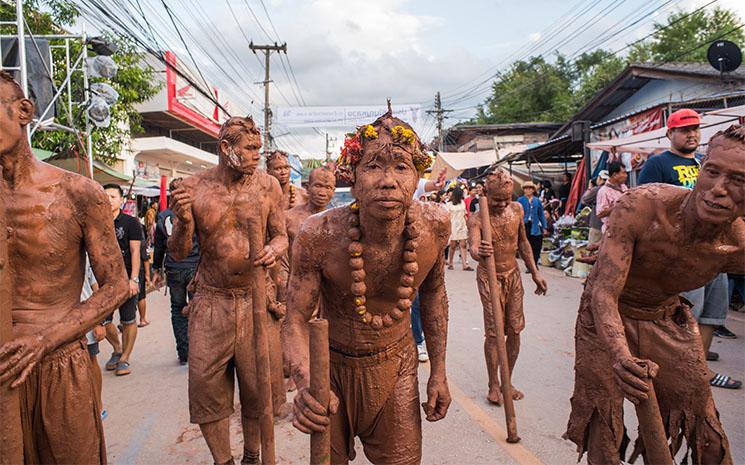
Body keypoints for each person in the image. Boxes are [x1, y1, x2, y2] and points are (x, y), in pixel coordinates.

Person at [564, 124, 745, 465]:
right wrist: (620, 356)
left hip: (667, 317)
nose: (719, 190)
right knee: (604, 425)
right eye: (712, 172)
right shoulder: (642, 207)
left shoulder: (737, 247)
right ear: (700, 170)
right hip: (605, 315)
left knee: (704, 428)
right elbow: (603, 293)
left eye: (739, 182)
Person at [283, 111, 452, 465]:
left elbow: (435, 295)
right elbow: (295, 320)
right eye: (373, 166)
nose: (388, 181)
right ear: (353, 180)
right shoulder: (319, 234)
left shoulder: (435, 227)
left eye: (401, 168)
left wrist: (438, 371)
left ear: (417, 177)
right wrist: (305, 385)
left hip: (397, 366)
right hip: (330, 368)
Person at [0, 71, 129, 464]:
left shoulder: (76, 192)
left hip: (58, 362)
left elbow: (117, 285)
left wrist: (44, 339)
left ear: (23, 111)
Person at [168, 115, 287, 465]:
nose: (256, 156)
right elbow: (176, 252)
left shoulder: (268, 187)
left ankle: (252, 455)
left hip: (255, 298)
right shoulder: (194, 187)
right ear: (226, 148)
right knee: (206, 389)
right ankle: (224, 461)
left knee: (257, 389)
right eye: (249, 149)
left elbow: (280, 235)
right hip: (211, 299)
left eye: (258, 149)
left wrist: (274, 250)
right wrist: (185, 222)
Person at [638, 108, 738, 388]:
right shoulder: (658, 164)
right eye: (684, 129)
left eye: (695, 128)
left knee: (712, 314)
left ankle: (699, 370)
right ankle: (673, 370)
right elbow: (647, 207)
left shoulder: (707, 166)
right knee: (683, 314)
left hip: (716, 250)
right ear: (670, 133)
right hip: (682, 255)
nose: (692, 134)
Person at [468, 170, 548, 404]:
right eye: (497, 200)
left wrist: (535, 273)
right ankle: (493, 384)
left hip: (513, 275)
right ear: (485, 193)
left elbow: (523, 242)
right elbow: (473, 247)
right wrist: (478, 251)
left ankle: (506, 381)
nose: (502, 204)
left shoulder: (517, 210)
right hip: (489, 276)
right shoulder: (477, 218)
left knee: (514, 330)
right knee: (494, 333)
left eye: (506, 199)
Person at [152, 177, 200, 365]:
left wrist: (156, 269)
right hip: (194, 267)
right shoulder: (196, 211)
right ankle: (198, 352)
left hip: (174, 269)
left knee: (178, 309)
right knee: (198, 309)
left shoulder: (164, 215)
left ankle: (184, 353)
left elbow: (159, 246)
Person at [102, 184, 143, 377]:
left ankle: (125, 357)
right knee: (103, 321)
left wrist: (133, 279)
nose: (109, 199)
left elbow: (135, 251)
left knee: (128, 319)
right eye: (105, 196)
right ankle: (117, 348)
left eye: (112, 196)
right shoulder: (95, 222)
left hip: (127, 278)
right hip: (103, 281)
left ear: (121, 200)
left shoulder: (130, 222)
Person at [517, 181, 547, 268]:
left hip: (535, 226)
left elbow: (541, 214)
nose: (528, 190)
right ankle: (529, 265)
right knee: (526, 246)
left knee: (536, 245)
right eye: (526, 188)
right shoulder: (520, 200)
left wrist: (544, 227)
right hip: (524, 225)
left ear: (533, 190)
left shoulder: (537, 201)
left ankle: (535, 263)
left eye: (530, 188)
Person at [444, 186, 473, 271]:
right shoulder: (448, 204)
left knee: (463, 244)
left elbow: (465, 214)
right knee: (453, 245)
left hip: (462, 225)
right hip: (452, 225)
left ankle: (465, 265)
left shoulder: (462, 202)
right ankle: (450, 263)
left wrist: (467, 225)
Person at [596, 161, 628, 235]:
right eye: (623, 173)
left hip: (625, 229)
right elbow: (600, 214)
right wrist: (618, 206)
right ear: (615, 175)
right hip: (611, 232)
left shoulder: (623, 187)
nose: (626, 175)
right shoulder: (603, 191)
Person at [581, 171, 608, 245]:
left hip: (597, 225)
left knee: (593, 249)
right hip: (609, 226)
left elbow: (583, 200)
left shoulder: (596, 190)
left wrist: (589, 188)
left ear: (599, 178)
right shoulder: (612, 189)